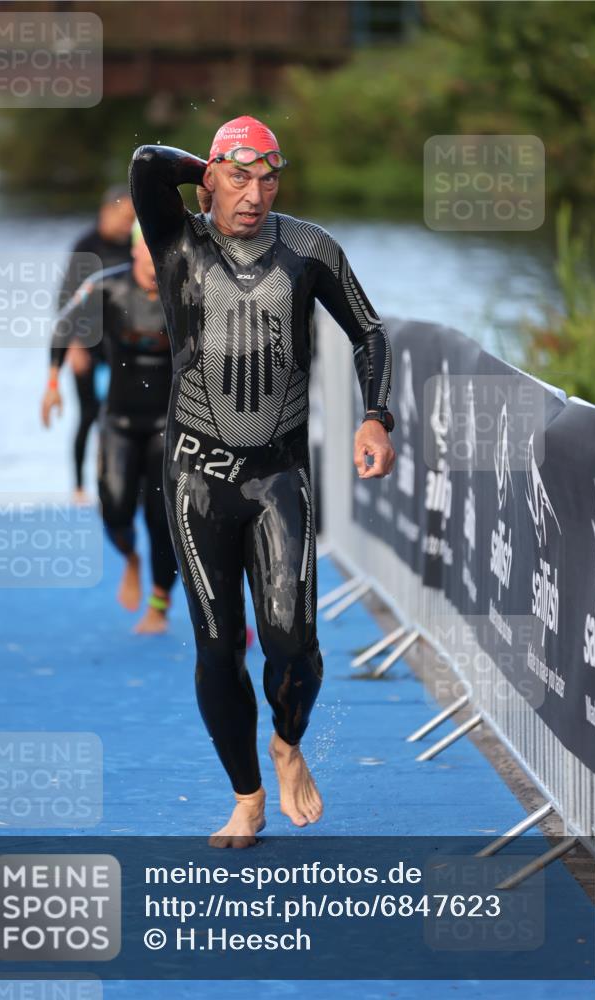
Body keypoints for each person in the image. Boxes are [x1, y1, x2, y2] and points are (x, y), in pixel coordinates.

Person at [129, 115, 395, 847]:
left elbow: (368, 332)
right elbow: (147, 163)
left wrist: (376, 417)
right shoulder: (177, 241)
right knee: (218, 649)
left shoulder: (308, 248)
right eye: (238, 177)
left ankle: (286, 744)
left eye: (268, 178)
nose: (254, 193)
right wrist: (212, 167)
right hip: (195, 477)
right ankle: (246, 796)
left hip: (278, 475)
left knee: (294, 646)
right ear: (209, 176)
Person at [42, 223, 178, 634]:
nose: (156, 266)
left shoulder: (188, 292)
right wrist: (52, 382)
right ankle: (131, 560)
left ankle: (158, 605)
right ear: (134, 252)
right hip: (118, 421)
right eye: (148, 255)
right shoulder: (105, 287)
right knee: (115, 509)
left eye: (163, 257)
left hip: (166, 427)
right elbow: (64, 326)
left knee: (162, 521)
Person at [58, 185, 136, 503]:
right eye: (125, 217)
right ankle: (78, 486)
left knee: (120, 413)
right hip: (86, 343)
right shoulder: (86, 246)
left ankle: (115, 479)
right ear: (107, 212)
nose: (129, 225)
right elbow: (65, 302)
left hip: (120, 344)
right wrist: (73, 348)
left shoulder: (133, 245)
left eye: (134, 219)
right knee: (89, 413)